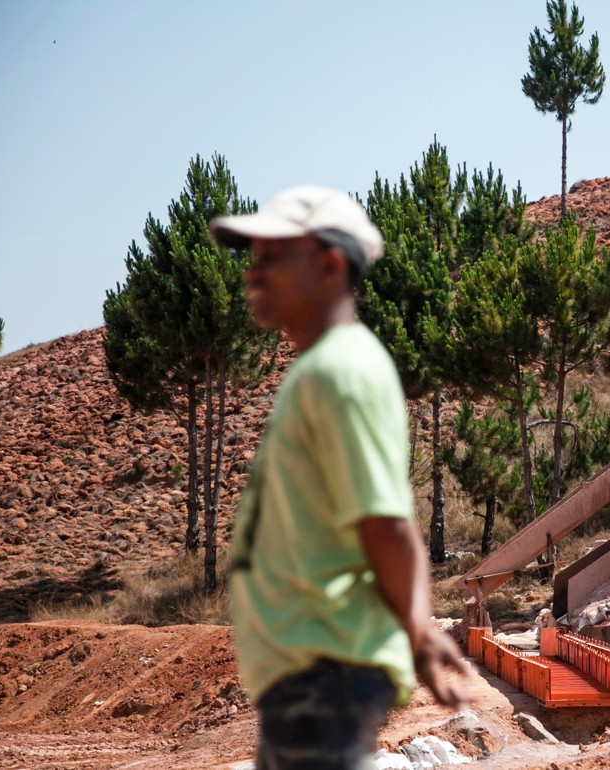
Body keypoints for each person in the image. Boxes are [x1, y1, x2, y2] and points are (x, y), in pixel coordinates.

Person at [209, 185, 471, 770]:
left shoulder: (340, 373)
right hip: (310, 669)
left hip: (326, 669)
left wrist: (417, 630)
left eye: (272, 256)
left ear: (328, 264)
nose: (253, 272)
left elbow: (385, 523)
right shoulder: (322, 369)